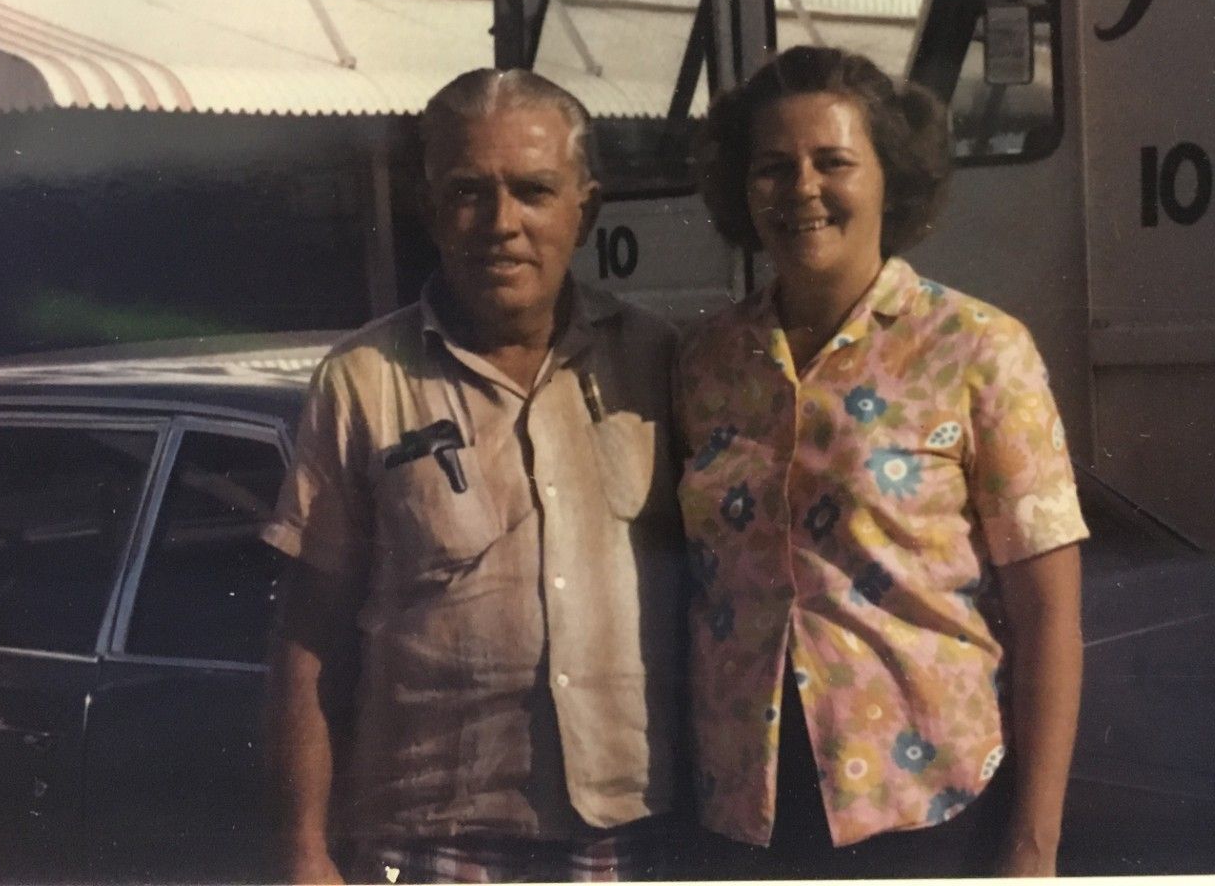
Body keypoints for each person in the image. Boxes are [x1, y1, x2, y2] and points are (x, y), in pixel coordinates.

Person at [262, 68, 684, 884]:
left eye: (533, 191)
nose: (502, 224)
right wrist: (303, 853)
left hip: (631, 839)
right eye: (468, 192)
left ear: (584, 211)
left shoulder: (659, 363)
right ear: (430, 208)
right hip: (429, 845)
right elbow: (307, 637)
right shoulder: (361, 381)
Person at [678, 46, 1087, 878]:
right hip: (741, 816)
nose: (802, 191)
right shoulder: (703, 361)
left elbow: (1049, 617)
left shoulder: (979, 349)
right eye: (771, 168)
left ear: (889, 177)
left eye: (834, 162)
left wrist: (1033, 848)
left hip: (928, 812)